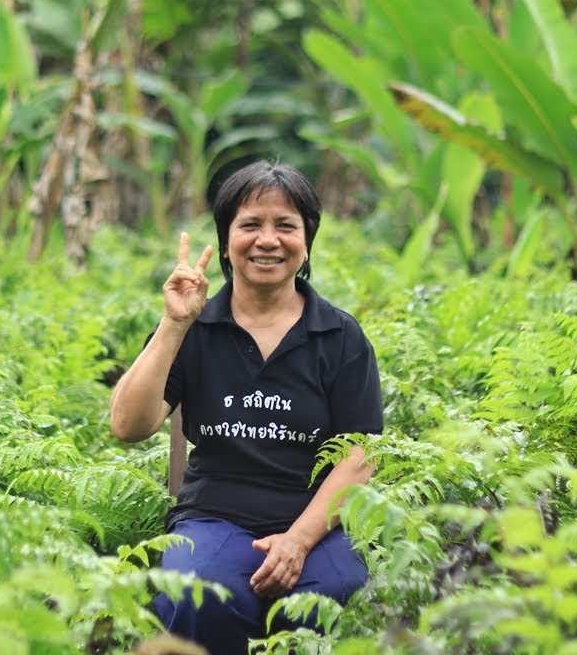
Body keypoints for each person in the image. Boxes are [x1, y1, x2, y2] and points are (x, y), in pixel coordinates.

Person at [109, 161, 384, 653]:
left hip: (317, 521)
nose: (268, 240)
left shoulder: (340, 337)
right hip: (213, 518)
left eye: (286, 226)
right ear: (226, 238)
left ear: (306, 242)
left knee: (331, 594)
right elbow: (129, 425)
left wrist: (297, 542)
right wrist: (174, 324)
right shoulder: (194, 328)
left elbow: (359, 457)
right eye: (250, 225)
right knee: (198, 593)